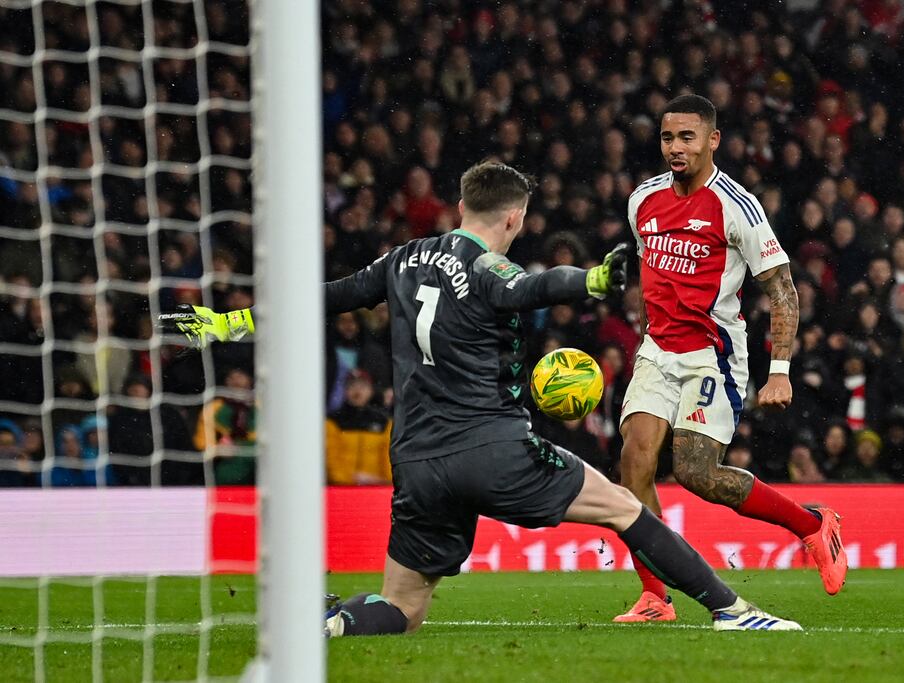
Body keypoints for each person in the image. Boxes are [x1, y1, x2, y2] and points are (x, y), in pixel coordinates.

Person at [164, 161, 801, 635]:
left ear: (460, 205)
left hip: (416, 460)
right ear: (514, 218)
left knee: (404, 608)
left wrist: (231, 323)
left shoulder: (403, 259)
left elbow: (325, 297)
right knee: (625, 508)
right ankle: (730, 609)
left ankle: (327, 626)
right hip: (493, 449)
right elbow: (527, 286)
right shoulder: (490, 267)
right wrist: (595, 280)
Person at [614, 94, 846, 623]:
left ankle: (813, 525)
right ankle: (655, 596)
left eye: (688, 137)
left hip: (711, 357)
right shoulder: (642, 200)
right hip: (658, 352)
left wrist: (780, 371)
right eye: (668, 138)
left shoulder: (736, 205)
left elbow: (783, 289)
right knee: (635, 462)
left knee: (697, 473)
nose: (676, 148)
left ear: (712, 140)